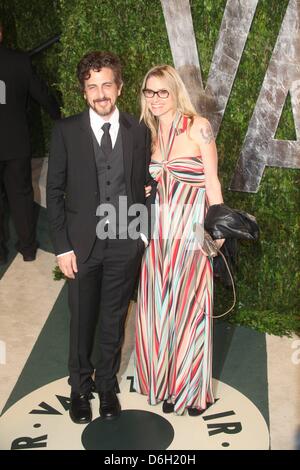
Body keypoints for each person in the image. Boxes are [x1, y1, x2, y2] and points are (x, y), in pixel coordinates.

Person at [47, 51, 153, 424]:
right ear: (84, 92)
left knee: (113, 317)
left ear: (120, 88)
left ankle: (106, 385)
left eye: (106, 84)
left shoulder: (138, 130)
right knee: (82, 319)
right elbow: (54, 189)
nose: (100, 92)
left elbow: (146, 184)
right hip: (81, 245)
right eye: (92, 87)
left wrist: (141, 233)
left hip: (125, 240)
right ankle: (80, 387)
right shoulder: (65, 131)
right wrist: (62, 246)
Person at [134, 64, 225, 416]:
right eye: (149, 92)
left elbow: (212, 182)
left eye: (162, 92)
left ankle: (190, 390)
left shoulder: (198, 127)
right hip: (159, 235)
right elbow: (151, 183)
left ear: (175, 93)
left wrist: (215, 231)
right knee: (160, 312)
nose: (155, 99)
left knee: (191, 313)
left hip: (191, 234)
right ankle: (168, 385)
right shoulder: (149, 133)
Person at [0, 20, 60, 264]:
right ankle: (27, 249)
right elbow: (42, 95)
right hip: (16, 144)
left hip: (15, 144)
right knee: (22, 195)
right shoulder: (19, 61)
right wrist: (58, 115)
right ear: (1, 32)